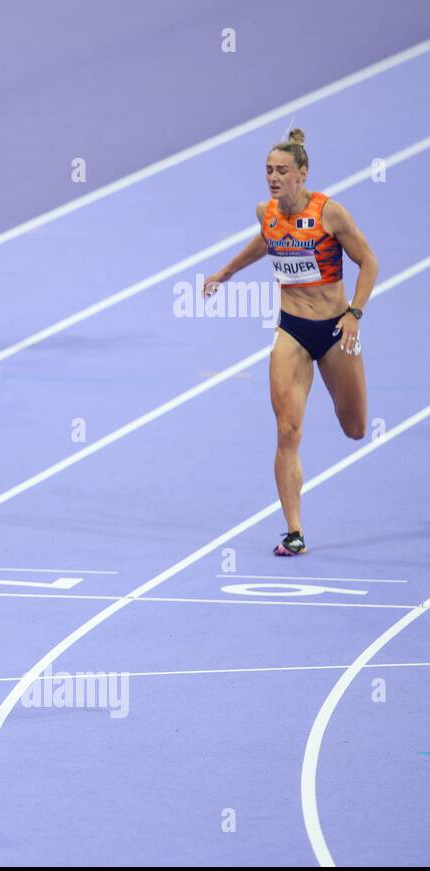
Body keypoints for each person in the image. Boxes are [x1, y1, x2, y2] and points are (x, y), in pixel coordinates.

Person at [204, 129, 377, 555]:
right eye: (268, 170)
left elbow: (368, 261)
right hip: (292, 330)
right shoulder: (266, 212)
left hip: (336, 330)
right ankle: (294, 531)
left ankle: (297, 524)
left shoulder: (330, 213)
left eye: (282, 170)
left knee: (355, 428)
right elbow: (267, 242)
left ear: (302, 174)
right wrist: (225, 272)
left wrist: (354, 313)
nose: (273, 177)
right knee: (287, 430)